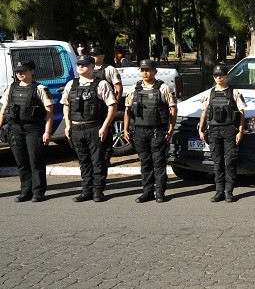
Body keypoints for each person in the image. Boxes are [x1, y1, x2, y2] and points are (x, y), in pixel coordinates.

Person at [63, 56, 118, 202]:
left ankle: (98, 191)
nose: (80, 67)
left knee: (98, 161)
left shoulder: (101, 84)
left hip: (94, 127)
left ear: (92, 66)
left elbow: (112, 106)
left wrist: (105, 127)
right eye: (78, 64)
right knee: (84, 162)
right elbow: (66, 105)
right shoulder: (71, 84)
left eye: (84, 65)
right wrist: (68, 125)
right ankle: (86, 191)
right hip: (76, 128)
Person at [123, 59, 177, 202]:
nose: (145, 73)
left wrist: (171, 126)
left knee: (158, 162)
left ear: (154, 71)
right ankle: (147, 192)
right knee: (145, 162)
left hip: (157, 130)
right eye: (142, 70)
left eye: (148, 70)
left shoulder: (163, 88)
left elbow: (172, 108)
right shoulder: (134, 88)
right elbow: (127, 109)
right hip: (140, 130)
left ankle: (160, 192)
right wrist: (125, 129)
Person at [0, 60, 54, 202]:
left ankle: (38, 192)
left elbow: (49, 113)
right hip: (15, 129)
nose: (20, 73)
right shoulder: (11, 88)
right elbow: (3, 110)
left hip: (34, 129)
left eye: (23, 71)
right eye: (18, 71)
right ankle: (25, 191)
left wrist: (47, 132)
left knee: (35, 160)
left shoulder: (40, 89)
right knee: (21, 161)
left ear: (32, 71)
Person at [197, 65, 247, 203]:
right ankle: (219, 191)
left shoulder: (234, 93)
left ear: (227, 76)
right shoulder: (209, 93)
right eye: (216, 75)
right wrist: (201, 129)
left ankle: (229, 191)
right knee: (217, 162)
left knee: (230, 161)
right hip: (213, 130)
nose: (219, 78)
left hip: (230, 129)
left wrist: (240, 130)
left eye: (221, 75)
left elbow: (242, 112)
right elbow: (204, 111)